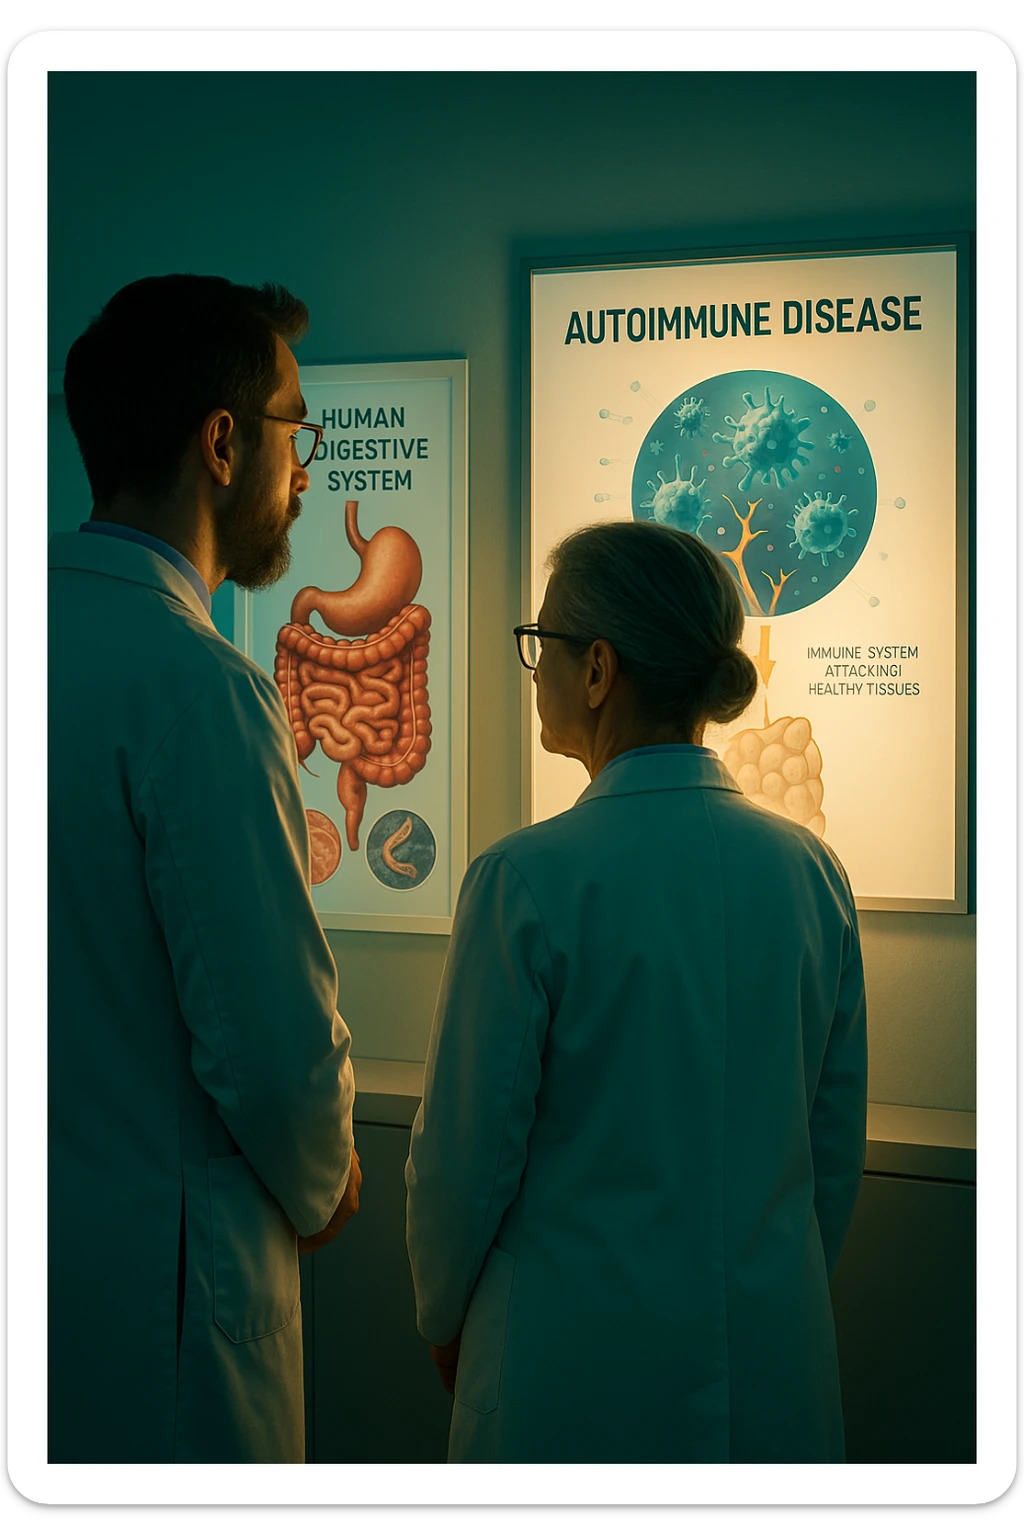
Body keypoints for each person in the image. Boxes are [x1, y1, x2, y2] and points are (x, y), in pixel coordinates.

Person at [405, 519, 868, 1464]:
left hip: (572, 1374)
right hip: (772, 1370)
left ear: (597, 670)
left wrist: (445, 1314)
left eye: (541, 644)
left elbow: (466, 1159)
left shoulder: (526, 880)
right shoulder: (810, 874)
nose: (532, 668)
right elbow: (829, 1150)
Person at [48, 275, 361, 1464]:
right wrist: (326, 1177)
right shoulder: (197, 687)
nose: (307, 466)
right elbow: (270, 1052)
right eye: (296, 428)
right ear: (224, 443)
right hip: (159, 1319)